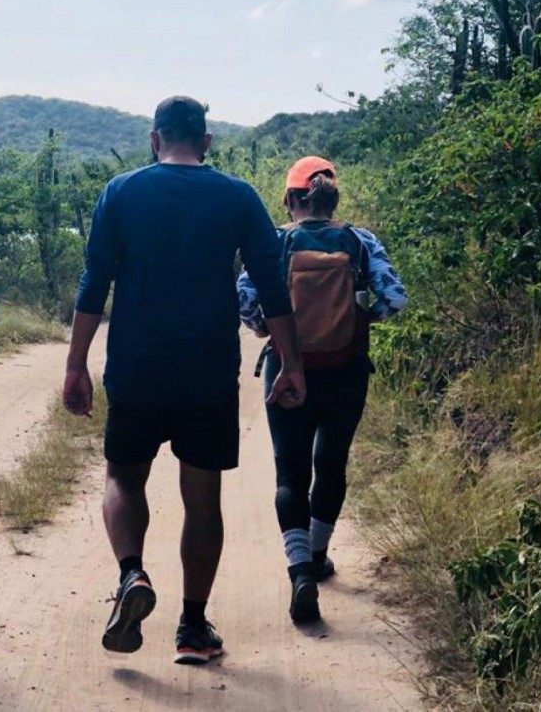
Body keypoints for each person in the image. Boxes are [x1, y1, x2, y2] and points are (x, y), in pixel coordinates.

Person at [64, 95, 306, 665]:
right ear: (206, 142)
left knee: (124, 477)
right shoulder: (238, 196)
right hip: (207, 371)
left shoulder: (122, 191)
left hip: (137, 367)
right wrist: (292, 364)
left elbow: (93, 282)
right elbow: (274, 290)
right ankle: (193, 628)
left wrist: (75, 364)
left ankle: (131, 574)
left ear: (155, 139)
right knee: (202, 499)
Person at [237, 157, 407, 623]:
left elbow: (246, 301)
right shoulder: (360, 241)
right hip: (345, 370)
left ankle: (299, 574)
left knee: (290, 474)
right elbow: (395, 297)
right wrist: (357, 320)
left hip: (288, 367)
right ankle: (317, 554)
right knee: (330, 464)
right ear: (334, 198)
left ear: (292, 200)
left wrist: (267, 330)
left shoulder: (275, 241)